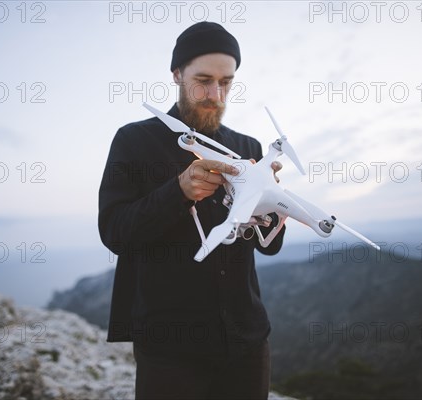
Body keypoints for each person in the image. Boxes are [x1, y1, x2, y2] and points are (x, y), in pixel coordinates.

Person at [98, 21, 286, 399]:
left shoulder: (246, 145)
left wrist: (273, 205)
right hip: (170, 349)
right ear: (177, 73)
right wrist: (179, 191)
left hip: (247, 341)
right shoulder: (134, 140)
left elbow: (269, 246)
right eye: (203, 79)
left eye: (226, 82)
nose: (215, 94)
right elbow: (115, 232)